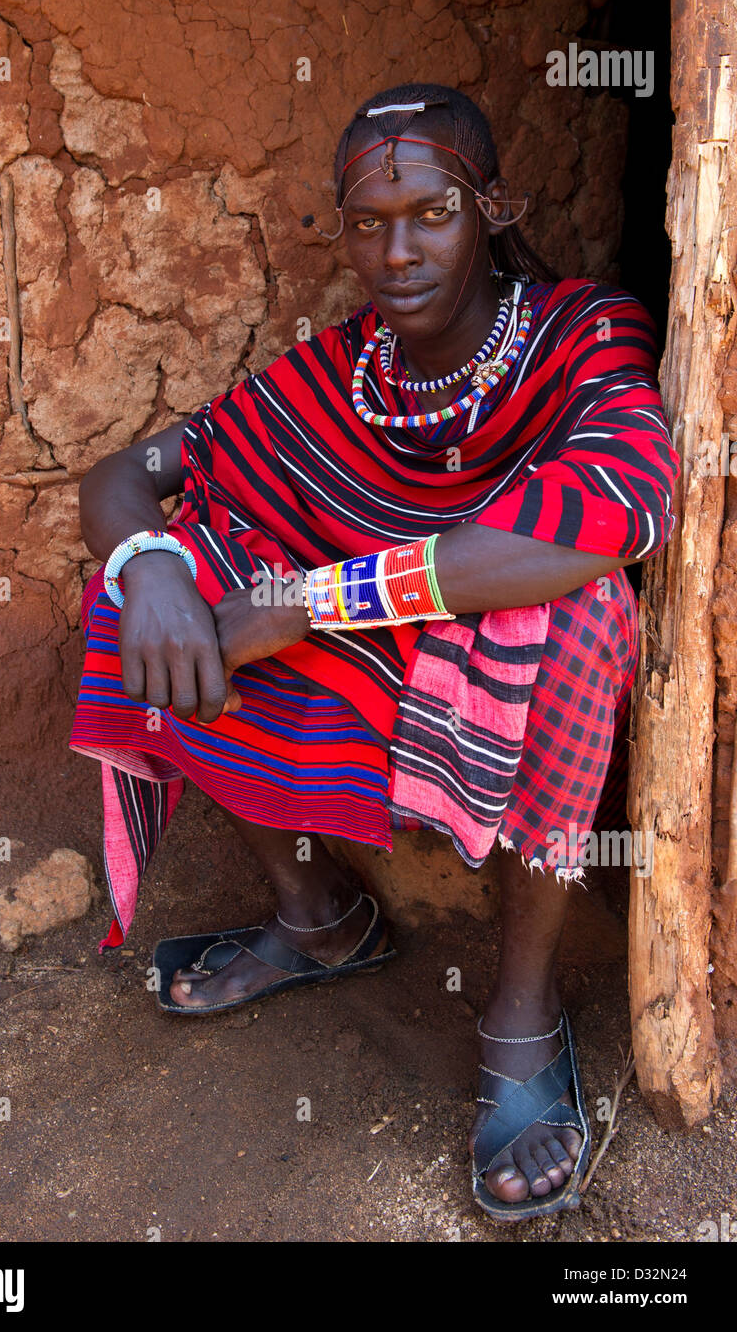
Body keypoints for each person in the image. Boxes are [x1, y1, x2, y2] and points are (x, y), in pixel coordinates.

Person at [71, 82, 680, 1221]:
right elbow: (120, 481)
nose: (396, 252)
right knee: (148, 595)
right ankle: (317, 915)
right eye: (367, 222)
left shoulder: (583, 331)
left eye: (432, 212)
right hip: (382, 670)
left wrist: (303, 601)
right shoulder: (337, 371)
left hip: (492, 674)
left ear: (491, 208)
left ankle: (521, 1009)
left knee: (590, 613)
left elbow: (619, 511)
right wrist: (148, 567)